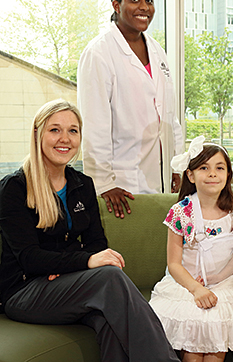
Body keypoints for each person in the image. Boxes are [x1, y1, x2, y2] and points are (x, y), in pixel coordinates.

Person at [0, 99, 180, 362]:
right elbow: (29, 258)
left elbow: (97, 243)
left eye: (73, 130)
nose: (65, 138)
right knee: (109, 277)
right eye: (55, 130)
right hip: (25, 292)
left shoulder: (83, 184)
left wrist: (70, 267)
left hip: (67, 284)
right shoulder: (14, 187)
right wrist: (84, 261)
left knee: (108, 319)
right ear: (38, 134)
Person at [149, 136, 233, 361]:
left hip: (222, 282)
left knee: (216, 323)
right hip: (185, 284)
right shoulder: (180, 212)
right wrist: (196, 288)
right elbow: (173, 263)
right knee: (194, 329)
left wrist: (215, 279)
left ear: (228, 174)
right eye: (203, 168)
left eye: (219, 168)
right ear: (190, 175)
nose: (212, 174)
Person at [77, 0, 183, 219]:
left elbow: (170, 118)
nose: (144, 7)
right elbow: (95, 125)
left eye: (149, 0)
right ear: (117, 5)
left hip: (162, 181)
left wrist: (177, 165)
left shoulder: (157, 51)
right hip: (121, 185)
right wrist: (103, 183)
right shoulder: (99, 53)